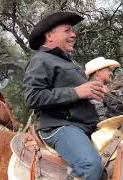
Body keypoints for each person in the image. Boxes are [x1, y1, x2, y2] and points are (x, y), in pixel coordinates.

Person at [23, 12, 105, 180]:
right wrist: (77, 92)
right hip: (60, 127)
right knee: (88, 165)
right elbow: (32, 97)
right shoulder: (41, 59)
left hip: (86, 126)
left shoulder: (68, 62)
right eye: (67, 30)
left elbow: (79, 96)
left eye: (72, 31)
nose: (73, 34)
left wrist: (95, 94)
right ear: (49, 36)